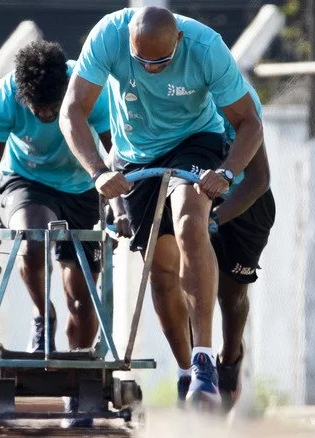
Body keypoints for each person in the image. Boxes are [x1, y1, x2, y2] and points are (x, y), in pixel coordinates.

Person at [60, 6, 263, 408]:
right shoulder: (106, 36)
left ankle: (206, 359)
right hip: (137, 152)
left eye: (163, 62)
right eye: (142, 62)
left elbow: (250, 124)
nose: (152, 70)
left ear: (179, 43)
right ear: (128, 44)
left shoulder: (206, 47)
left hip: (196, 140)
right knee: (162, 265)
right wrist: (100, 171)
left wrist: (225, 172)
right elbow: (73, 111)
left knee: (190, 221)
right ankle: (186, 371)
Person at [109, 79, 275, 413]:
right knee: (182, 280)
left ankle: (230, 358)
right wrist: (119, 210)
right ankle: (194, 371)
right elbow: (119, 154)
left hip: (243, 201)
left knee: (232, 296)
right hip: (190, 197)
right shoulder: (164, 99)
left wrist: (214, 219)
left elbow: (259, 179)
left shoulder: (237, 98)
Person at [0, 40, 113, 427]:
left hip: (82, 187)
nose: (45, 115)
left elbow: (114, 150)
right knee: (31, 239)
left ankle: (79, 384)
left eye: (52, 108)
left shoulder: (89, 86)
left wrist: (118, 206)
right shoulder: (4, 95)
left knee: (82, 298)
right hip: (26, 181)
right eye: (37, 109)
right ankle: (43, 317)